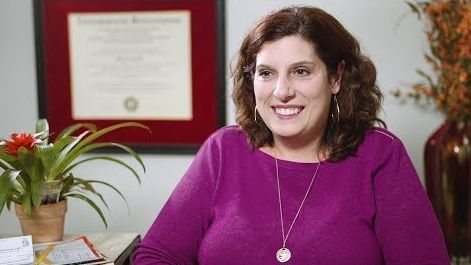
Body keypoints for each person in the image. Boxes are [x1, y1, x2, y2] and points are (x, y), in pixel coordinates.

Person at [133, 6, 449, 265]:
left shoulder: (380, 155)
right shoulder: (222, 150)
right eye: (266, 73)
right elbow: (156, 256)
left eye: (301, 71)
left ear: (336, 77)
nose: (282, 92)